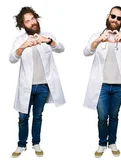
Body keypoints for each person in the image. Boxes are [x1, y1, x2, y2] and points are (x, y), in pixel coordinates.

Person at [82, 6, 121, 158]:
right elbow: (86, 52)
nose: (115, 20)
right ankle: (102, 143)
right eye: (113, 16)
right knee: (102, 117)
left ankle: (113, 142)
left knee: (114, 116)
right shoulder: (97, 35)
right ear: (108, 16)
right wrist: (98, 41)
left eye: (119, 18)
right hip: (101, 86)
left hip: (119, 86)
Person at [9, 6, 66, 158]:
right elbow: (12, 59)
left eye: (33, 19)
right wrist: (23, 46)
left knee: (38, 116)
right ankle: (21, 145)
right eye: (27, 21)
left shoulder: (47, 36)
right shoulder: (20, 40)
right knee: (22, 118)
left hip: (43, 87)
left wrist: (47, 41)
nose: (32, 23)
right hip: (26, 87)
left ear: (36, 18)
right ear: (23, 25)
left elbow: (61, 48)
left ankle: (36, 143)